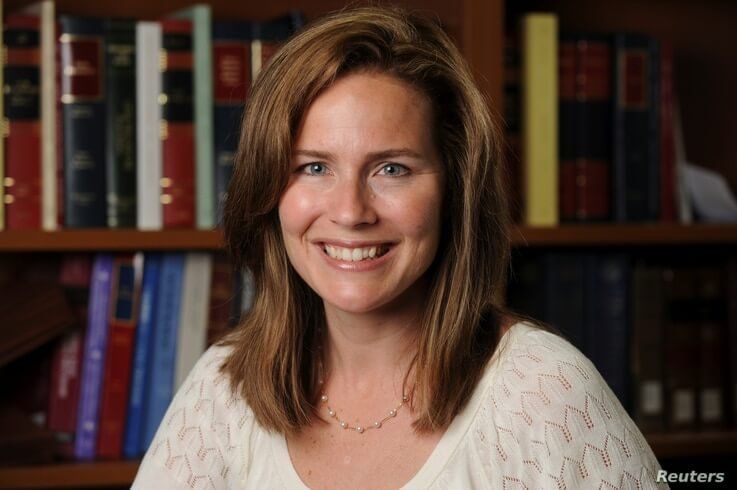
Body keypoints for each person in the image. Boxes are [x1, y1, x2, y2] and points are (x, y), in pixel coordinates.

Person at [133, 6, 664, 489]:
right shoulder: (224, 388)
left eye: (392, 168)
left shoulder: (545, 396)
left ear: (454, 190)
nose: (350, 212)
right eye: (314, 167)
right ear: (269, 189)